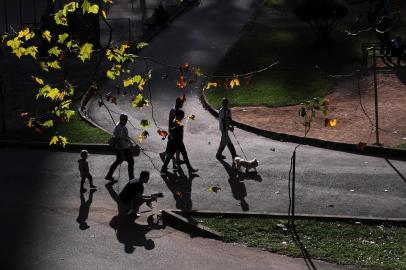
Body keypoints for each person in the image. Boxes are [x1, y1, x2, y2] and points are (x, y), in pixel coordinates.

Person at [161, 109, 198, 174]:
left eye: (183, 116)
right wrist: (176, 127)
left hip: (180, 142)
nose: (182, 117)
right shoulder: (175, 122)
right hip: (174, 142)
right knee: (169, 156)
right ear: (178, 116)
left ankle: (190, 168)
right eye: (182, 116)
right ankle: (163, 168)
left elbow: (181, 131)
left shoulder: (179, 121)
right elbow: (170, 131)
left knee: (185, 155)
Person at [105, 114, 135, 181]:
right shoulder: (118, 128)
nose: (127, 121)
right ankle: (131, 178)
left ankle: (109, 176)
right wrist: (121, 153)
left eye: (127, 119)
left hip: (126, 147)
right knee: (123, 161)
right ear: (122, 120)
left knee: (128, 161)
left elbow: (126, 136)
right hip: (122, 148)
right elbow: (118, 142)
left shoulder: (123, 126)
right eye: (125, 119)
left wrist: (131, 144)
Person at [159, 95, 185, 167]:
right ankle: (164, 155)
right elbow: (174, 122)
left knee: (176, 146)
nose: (183, 104)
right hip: (173, 130)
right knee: (172, 147)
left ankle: (177, 160)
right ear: (179, 103)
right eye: (182, 103)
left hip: (174, 130)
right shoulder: (175, 110)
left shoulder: (175, 108)